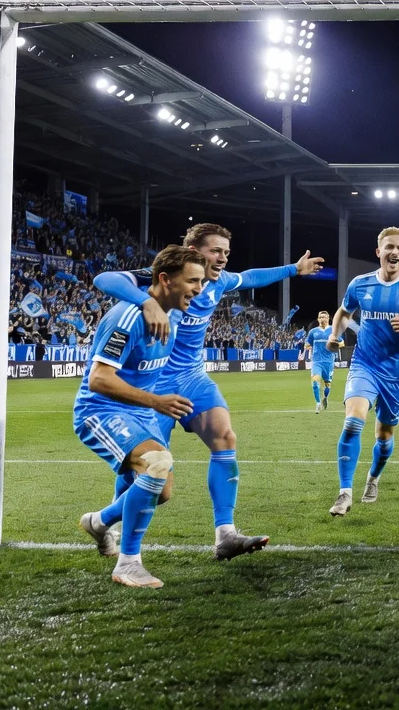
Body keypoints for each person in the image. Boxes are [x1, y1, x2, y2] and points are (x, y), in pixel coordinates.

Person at [93, 223, 323, 559]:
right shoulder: (164, 275)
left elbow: (252, 276)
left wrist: (293, 269)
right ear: (192, 250)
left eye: (226, 252)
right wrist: (148, 303)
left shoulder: (221, 282)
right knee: (146, 476)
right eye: (216, 251)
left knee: (225, 437)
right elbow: (105, 279)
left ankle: (225, 534)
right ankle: (105, 525)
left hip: (192, 378)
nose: (223, 258)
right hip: (152, 383)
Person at [75, 245, 206, 588]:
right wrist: (157, 402)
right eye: (193, 281)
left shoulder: (172, 312)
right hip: (101, 410)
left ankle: (99, 522)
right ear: (165, 280)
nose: (199, 289)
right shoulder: (129, 317)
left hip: (141, 412)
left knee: (160, 491)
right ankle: (128, 564)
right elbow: (99, 379)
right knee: (156, 464)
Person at [325, 227, 399, 514]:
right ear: (379, 252)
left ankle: (373, 478)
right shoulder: (360, 284)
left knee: (384, 436)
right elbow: (343, 311)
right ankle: (344, 492)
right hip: (365, 364)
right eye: (390, 247)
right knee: (353, 422)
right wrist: (334, 334)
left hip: (398, 373)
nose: (395, 252)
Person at [305, 310, 336, 413]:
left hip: (329, 362)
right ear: (318, 319)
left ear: (328, 319)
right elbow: (307, 344)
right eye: (321, 317)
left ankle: (325, 397)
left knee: (328, 385)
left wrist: (334, 344)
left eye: (325, 317)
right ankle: (318, 403)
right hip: (316, 362)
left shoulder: (333, 330)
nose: (323, 319)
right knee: (314, 382)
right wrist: (307, 346)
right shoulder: (313, 332)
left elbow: (342, 343)